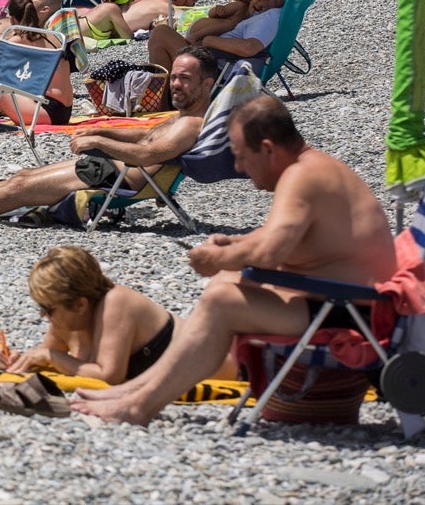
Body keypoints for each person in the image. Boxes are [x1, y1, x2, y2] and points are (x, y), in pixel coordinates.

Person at [73, 95, 399, 425]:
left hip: (354, 314)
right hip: (343, 300)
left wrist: (220, 257)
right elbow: (283, 237)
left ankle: (139, 406)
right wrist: (233, 244)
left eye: (242, 157)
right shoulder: (312, 167)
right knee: (226, 284)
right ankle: (137, 391)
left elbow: (270, 252)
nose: (239, 168)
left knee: (223, 300)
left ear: (269, 149)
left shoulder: (301, 177)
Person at [0, 47, 218, 220]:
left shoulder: (191, 123)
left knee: (20, 187)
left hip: (115, 178)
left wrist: (99, 140)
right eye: (174, 77)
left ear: (207, 84)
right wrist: (104, 129)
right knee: (24, 176)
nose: (175, 84)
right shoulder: (182, 116)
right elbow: (144, 140)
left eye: (185, 79)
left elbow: (148, 154)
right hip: (111, 170)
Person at [0, 246, 182, 384]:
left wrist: (51, 356)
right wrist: (12, 359)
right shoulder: (67, 320)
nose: (43, 314)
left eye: (48, 307)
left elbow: (109, 376)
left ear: (80, 305)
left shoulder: (116, 302)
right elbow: (41, 358)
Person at [146, 0, 297, 82]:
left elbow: (249, 48)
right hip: (218, 64)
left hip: (219, 70)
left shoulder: (272, 16)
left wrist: (208, 40)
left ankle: (162, 102)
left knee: (161, 34)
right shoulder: (265, 14)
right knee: (162, 39)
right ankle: (165, 99)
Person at [79, 0, 194, 42]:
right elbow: (127, 36)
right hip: (71, 35)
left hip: (72, 31)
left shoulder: (105, 7)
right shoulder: (112, 9)